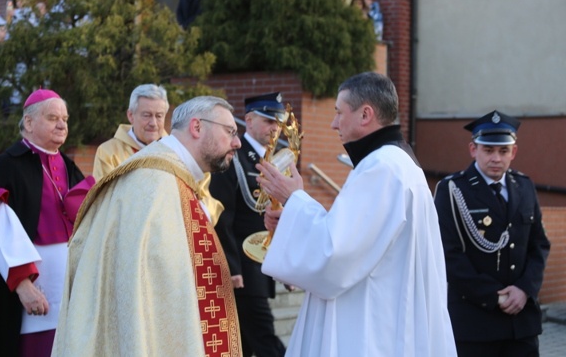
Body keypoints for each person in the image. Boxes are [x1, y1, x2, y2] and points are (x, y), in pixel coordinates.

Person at [257, 71, 456, 356]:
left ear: (365, 115)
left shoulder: (381, 167)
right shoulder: (397, 162)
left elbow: (334, 252)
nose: (333, 123)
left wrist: (294, 199)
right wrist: (294, 213)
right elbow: (355, 239)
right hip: (387, 315)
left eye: (339, 112)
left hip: (370, 327)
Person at [52, 96, 242, 356]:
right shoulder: (155, 183)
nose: (237, 142)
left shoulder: (175, 178)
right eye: (230, 131)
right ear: (197, 127)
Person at [0, 89, 93, 357]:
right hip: (30, 296)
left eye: (65, 119)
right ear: (29, 123)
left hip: (70, 295)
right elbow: (0, 232)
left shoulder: (69, 167)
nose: (62, 125)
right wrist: (24, 286)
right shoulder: (6, 168)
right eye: (52, 117)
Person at [434, 111, 550, 357]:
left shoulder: (525, 186)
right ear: (473, 149)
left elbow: (539, 245)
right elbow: (448, 254)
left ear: (513, 153)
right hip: (475, 323)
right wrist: (494, 296)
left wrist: (524, 289)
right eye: (488, 150)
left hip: (521, 325)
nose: (496, 158)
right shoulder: (453, 190)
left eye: (503, 151)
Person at [210, 92, 288, 357]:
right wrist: (231, 267)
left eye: (278, 122)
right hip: (243, 268)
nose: (275, 128)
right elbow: (223, 215)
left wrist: (288, 264)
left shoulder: (279, 160)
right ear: (249, 121)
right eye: (268, 121)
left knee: (241, 345)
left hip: (264, 265)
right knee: (265, 340)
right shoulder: (233, 157)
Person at [92, 84, 169, 180]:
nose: (153, 123)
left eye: (159, 116)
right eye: (146, 115)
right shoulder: (109, 153)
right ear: (131, 116)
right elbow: (105, 194)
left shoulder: (174, 152)